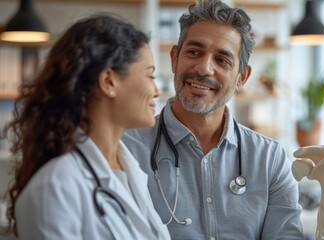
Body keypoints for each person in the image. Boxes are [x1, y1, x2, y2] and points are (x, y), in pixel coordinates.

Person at [122, 0, 305, 239]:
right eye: (194, 52)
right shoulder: (126, 149)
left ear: (242, 77)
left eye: (222, 60)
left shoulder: (270, 160)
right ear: (174, 59)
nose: (204, 68)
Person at [4, 14, 171, 240]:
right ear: (109, 82)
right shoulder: (55, 188)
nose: (157, 90)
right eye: (150, 75)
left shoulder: (130, 169)